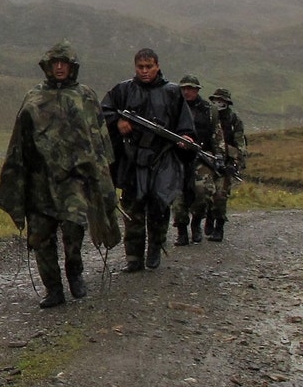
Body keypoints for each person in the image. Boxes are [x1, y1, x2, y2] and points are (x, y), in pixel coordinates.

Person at [0, 41, 118, 308]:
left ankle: (75, 272)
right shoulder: (33, 98)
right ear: (47, 66)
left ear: (72, 66)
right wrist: (17, 179)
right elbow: (19, 142)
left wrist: (102, 176)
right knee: (40, 236)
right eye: (54, 63)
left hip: (75, 179)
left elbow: (99, 139)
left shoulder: (85, 96)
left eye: (64, 63)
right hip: (40, 180)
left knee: (74, 229)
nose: (59, 67)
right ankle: (53, 289)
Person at [100, 49, 197, 271]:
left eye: (149, 66)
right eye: (140, 67)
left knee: (159, 206)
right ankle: (133, 257)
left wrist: (185, 137)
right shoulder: (123, 90)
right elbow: (103, 111)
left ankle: (155, 247)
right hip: (133, 159)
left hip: (163, 159)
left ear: (158, 66)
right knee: (132, 209)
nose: (144, 71)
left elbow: (185, 124)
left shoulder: (172, 92)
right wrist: (118, 122)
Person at [172, 76, 221, 248]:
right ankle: (182, 231)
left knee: (203, 193)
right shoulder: (173, 108)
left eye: (191, 88)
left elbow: (217, 135)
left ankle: (196, 223)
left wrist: (219, 158)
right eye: (184, 88)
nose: (187, 91)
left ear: (198, 90)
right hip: (177, 157)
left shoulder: (209, 110)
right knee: (178, 197)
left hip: (202, 157)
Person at [206, 88, 247, 241]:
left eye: (222, 101)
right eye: (216, 101)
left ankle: (219, 227)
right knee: (204, 194)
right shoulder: (207, 116)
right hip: (207, 160)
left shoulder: (234, 120)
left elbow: (240, 144)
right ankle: (209, 215)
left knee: (221, 196)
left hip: (226, 164)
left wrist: (236, 163)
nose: (219, 104)